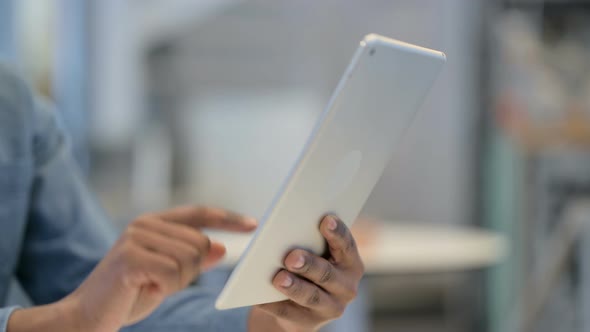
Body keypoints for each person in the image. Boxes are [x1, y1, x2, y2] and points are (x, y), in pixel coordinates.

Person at [0, 62, 365, 332]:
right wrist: (72, 319)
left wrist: (276, 320)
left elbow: (110, 309)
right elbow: (78, 317)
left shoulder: (14, 108)